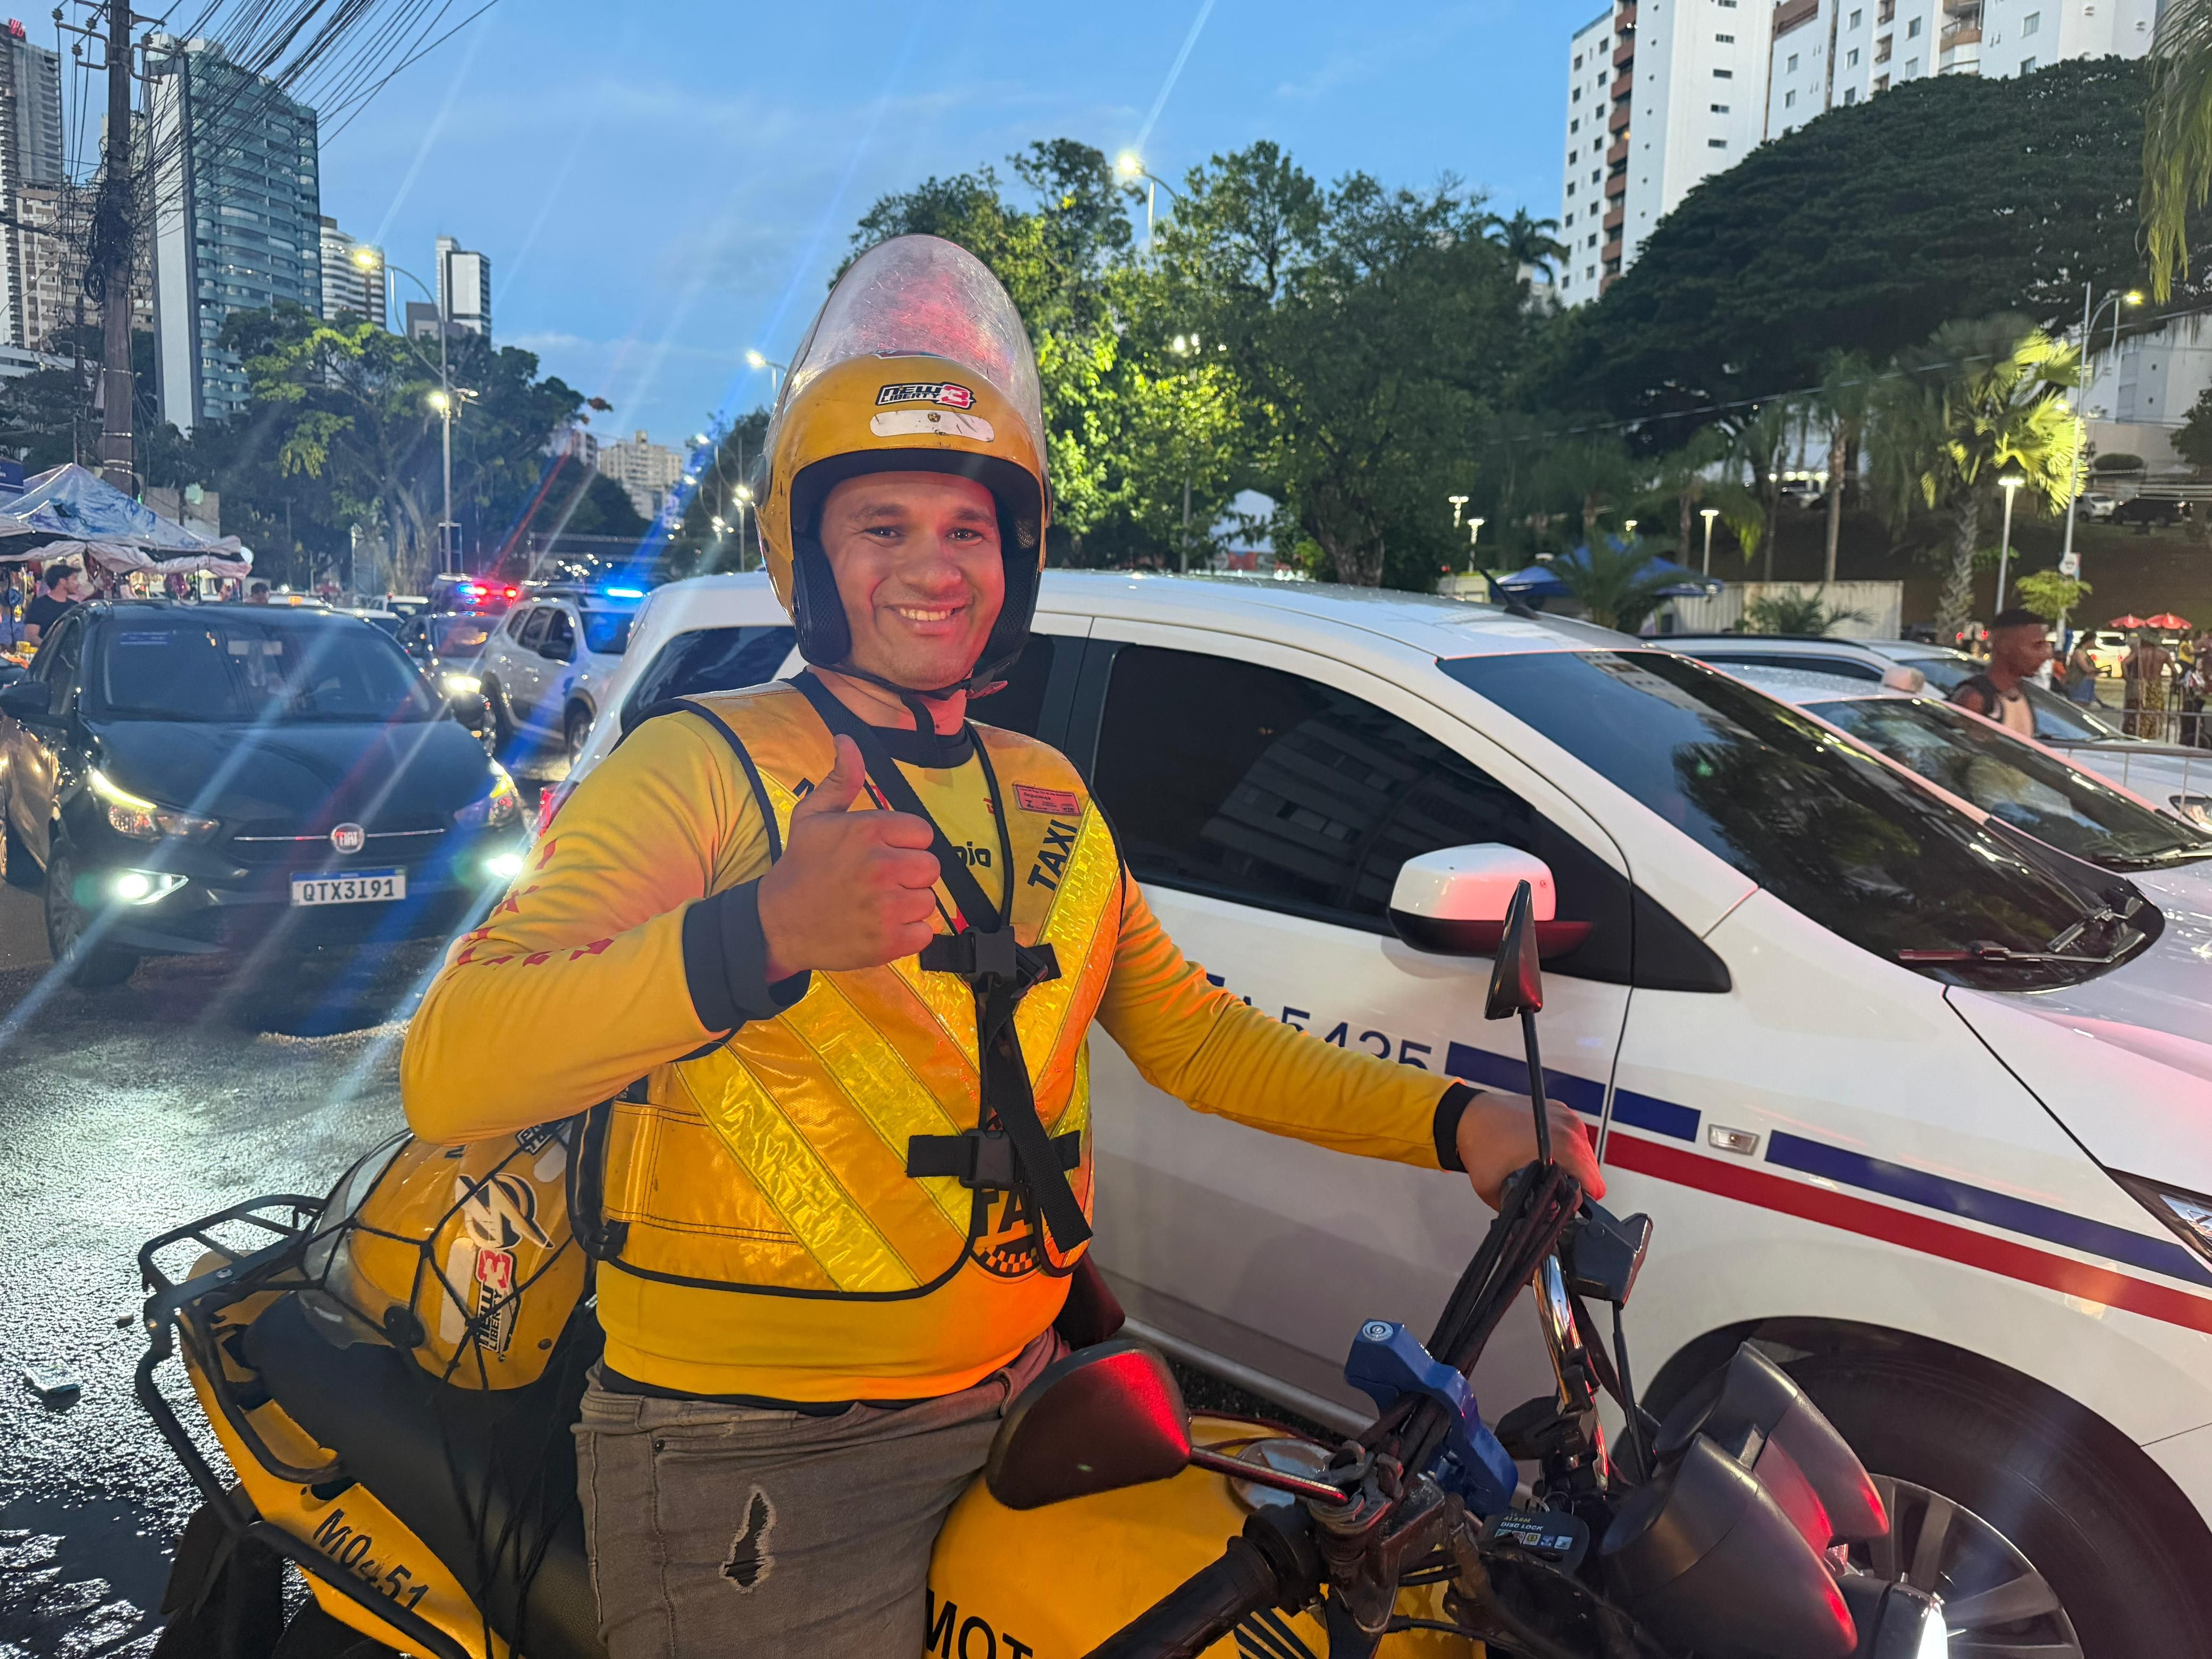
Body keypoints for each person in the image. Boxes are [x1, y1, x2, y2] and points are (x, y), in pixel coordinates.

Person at [400, 236, 1603, 1659]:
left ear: (1016, 557)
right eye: (883, 525)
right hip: (760, 1468)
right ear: (811, 554)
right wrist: (765, 931)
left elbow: (1197, 1037)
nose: (932, 565)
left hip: (1031, 1401)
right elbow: (453, 1072)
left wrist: (1458, 1120)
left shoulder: (1047, 793)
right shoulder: (700, 767)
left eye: (967, 528)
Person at [1949, 607, 2048, 736]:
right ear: (2005, 646)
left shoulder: (2021, 694)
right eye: (2036, 646)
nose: (2045, 654)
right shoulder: (1975, 699)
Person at [21, 563, 78, 649]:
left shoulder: (76, 607)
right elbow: (32, 637)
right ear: (62, 581)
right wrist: (51, 650)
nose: (78, 584)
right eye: (74, 580)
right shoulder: (39, 606)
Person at [2065, 635, 2101, 706]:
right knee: (2079, 704)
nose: (2094, 644)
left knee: (2086, 704)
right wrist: (2095, 670)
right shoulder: (2079, 653)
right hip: (2080, 682)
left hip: (2088, 683)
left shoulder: (2085, 653)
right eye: (2094, 641)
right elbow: (2086, 668)